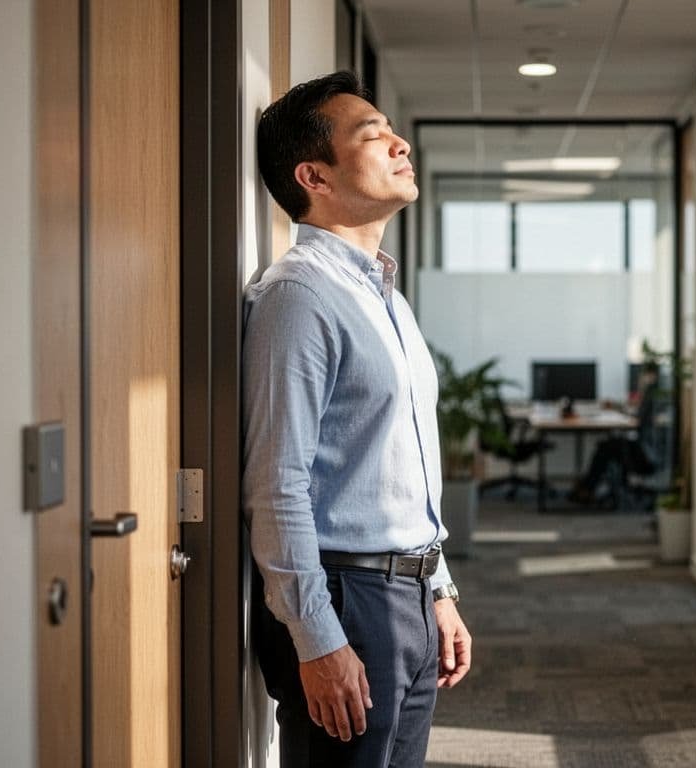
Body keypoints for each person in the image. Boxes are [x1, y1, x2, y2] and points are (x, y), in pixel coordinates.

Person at [242, 71, 471, 767]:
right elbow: (277, 481)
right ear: (313, 174)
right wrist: (318, 639)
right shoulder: (298, 296)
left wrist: (439, 588)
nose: (401, 143)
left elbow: (400, 465)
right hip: (345, 598)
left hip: (405, 594)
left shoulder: (384, 296)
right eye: (374, 135)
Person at [568, 362, 662, 506]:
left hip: (645, 452)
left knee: (606, 447)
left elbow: (637, 420)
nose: (640, 378)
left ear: (649, 375)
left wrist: (620, 408)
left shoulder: (651, 391)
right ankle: (588, 487)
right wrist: (619, 407)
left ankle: (587, 487)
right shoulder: (654, 391)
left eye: (643, 375)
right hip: (647, 448)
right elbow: (637, 416)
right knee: (608, 445)